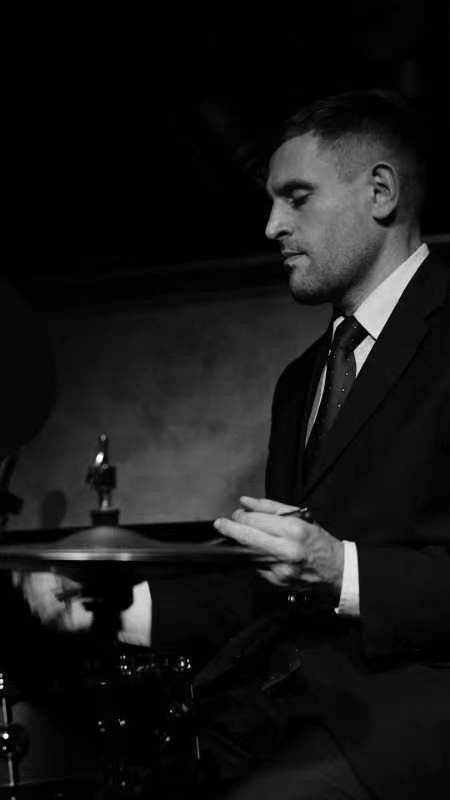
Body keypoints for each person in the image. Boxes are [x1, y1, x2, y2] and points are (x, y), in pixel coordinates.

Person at [18, 90, 450, 799]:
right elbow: (271, 584)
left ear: (380, 192)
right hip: (279, 709)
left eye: (297, 198)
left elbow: (325, 571)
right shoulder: (302, 381)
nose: (272, 225)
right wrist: (107, 606)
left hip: (413, 717)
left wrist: (341, 570)